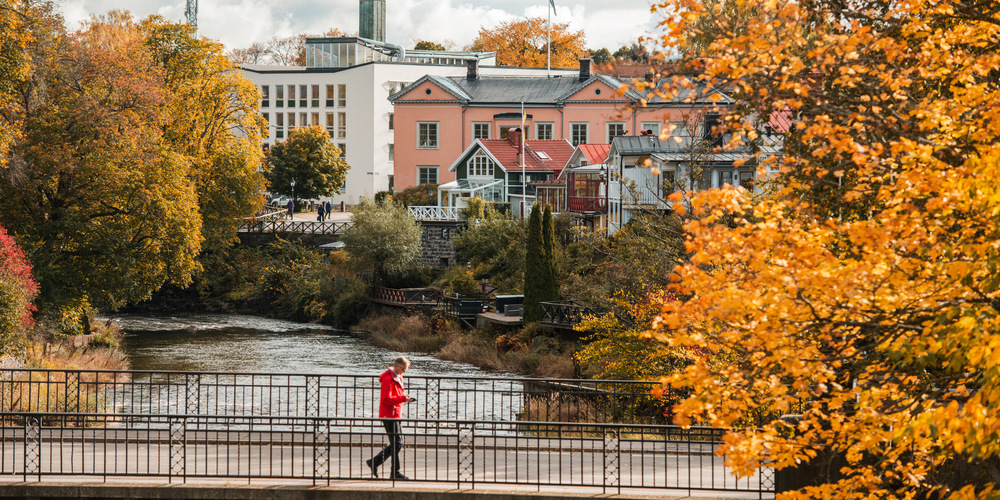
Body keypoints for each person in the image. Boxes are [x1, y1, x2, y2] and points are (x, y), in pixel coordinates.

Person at [366, 356, 415, 480]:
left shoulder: (398, 377)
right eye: (404, 369)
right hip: (389, 415)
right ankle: (389, 469)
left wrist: (404, 398)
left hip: (395, 414)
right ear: (397, 366)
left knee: (397, 443)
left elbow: (395, 396)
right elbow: (385, 399)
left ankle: (384, 467)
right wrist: (403, 398)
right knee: (398, 443)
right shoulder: (388, 379)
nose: (405, 372)